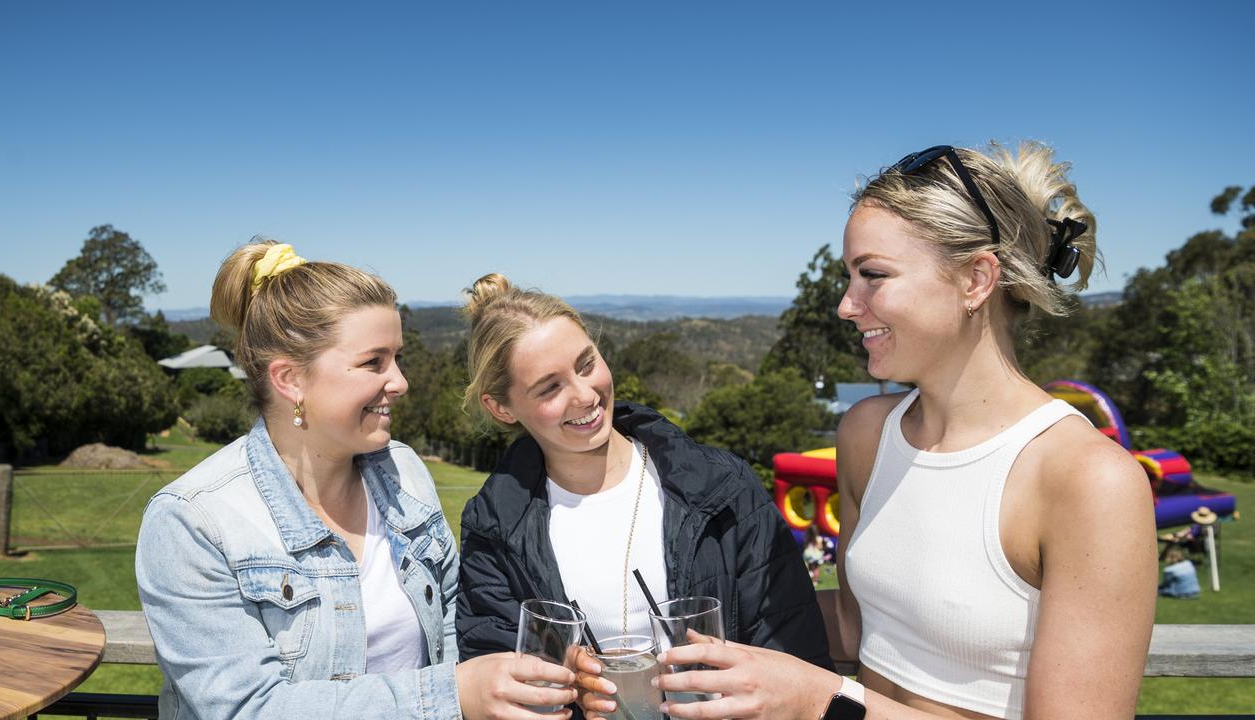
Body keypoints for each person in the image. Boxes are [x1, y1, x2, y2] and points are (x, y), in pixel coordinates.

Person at [639, 143, 1157, 720]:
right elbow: (862, 626)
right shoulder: (867, 435)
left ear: (976, 279)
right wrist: (669, 623)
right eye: (849, 276)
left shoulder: (1086, 480)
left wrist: (820, 700)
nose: (845, 304)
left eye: (873, 276)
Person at [135, 241, 583, 719]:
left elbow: (454, 626)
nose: (400, 381)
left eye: (398, 357)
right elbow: (245, 708)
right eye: (375, 362)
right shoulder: (192, 522)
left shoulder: (404, 471)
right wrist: (453, 696)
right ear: (291, 380)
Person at [454, 274, 832, 684]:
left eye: (587, 364)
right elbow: (500, 677)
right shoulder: (494, 529)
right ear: (502, 408)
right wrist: (575, 694)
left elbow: (795, 651)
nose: (584, 395)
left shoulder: (723, 488)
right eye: (550, 388)